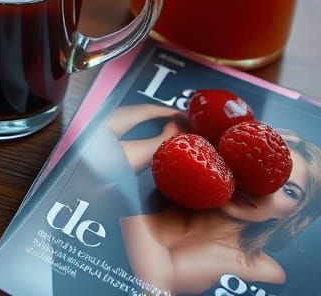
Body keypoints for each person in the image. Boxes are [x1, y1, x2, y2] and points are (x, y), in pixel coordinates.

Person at [106, 103, 321, 295]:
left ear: (296, 214)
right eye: (257, 164)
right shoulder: (161, 201)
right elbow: (93, 150)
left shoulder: (263, 271)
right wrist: (175, 130)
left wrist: (120, 197)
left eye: (289, 191)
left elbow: (158, 288)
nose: (263, 188)